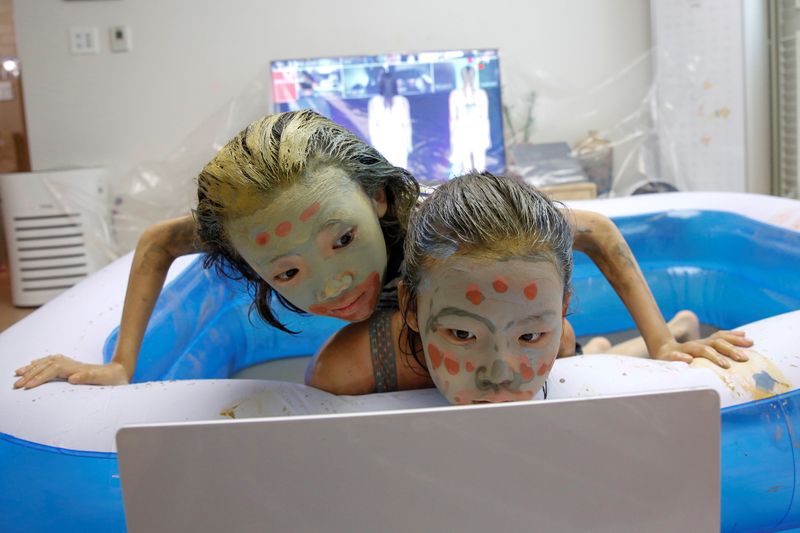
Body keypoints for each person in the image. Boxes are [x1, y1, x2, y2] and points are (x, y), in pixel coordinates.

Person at [14, 110, 419, 389]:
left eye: (344, 239)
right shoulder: (255, 231)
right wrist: (121, 365)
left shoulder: (434, 237)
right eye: (288, 273)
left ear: (378, 196)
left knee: (337, 371)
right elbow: (159, 241)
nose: (333, 286)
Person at [308, 172, 753, 400]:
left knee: (575, 355)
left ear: (562, 307)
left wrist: (660, 344)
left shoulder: (533, 239)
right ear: (410, 307)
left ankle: (670, 330)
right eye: (461, 335)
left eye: (531, 334)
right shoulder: (352, 366)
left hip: (562, 341)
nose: (499, 374)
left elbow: (598, 230)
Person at [448, 65, 491, 175]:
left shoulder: (481, 94)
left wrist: (486, 136)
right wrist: (453, 138)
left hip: (478, 131)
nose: (468, 78)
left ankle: (482, 188)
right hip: (462, 133)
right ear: (462, 77)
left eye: (471, 75)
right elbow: (453, 118)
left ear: (474, 77)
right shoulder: (455, 95)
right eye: (466, 75)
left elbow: (485, 117)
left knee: (480, 164)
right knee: (466, 165)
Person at [367, 70, 412, 169]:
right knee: (400, 172)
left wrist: (374, 145)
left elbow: (372, 126)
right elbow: (406, 125)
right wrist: (409, 145)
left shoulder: (374, 102)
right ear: (395, 84)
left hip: (383, 142)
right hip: (398, 142)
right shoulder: (402, 101)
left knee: (385, 173)